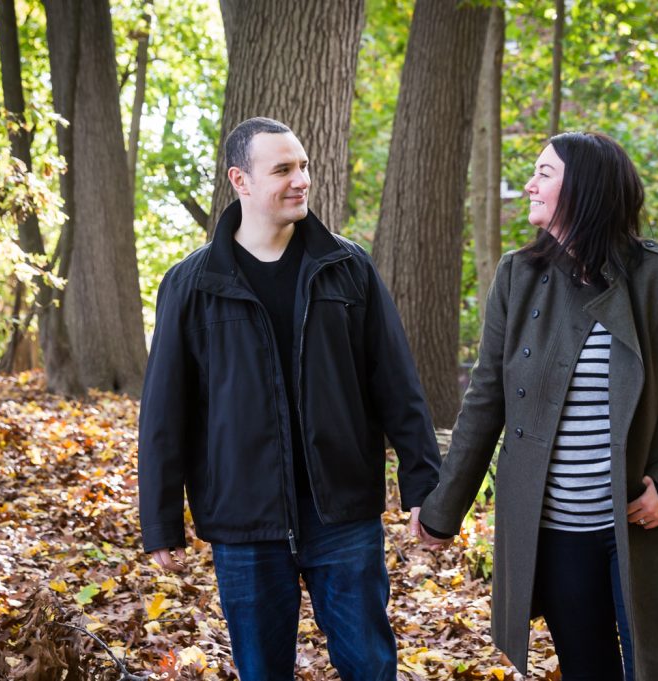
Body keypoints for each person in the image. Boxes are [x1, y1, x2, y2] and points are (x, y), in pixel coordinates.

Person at [417, 132, 658, 681]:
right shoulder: (518, 277)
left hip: (642, 529)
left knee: (656, 670)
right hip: (555, 532)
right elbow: (485, 400)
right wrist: (443, 509)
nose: (529, 184)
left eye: (544, 172)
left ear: (584, 187)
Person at [138, 116, 441, 681]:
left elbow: (397, 386)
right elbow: (164, 412)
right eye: (282, 169)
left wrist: (424, 484)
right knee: (262, 672)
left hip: (343, 513)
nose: (300, 179)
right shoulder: (191, 283)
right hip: (244, 520)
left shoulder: (348, 269)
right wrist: (160, 521)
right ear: (241, 181)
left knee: (370, 666)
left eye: (302, 166)